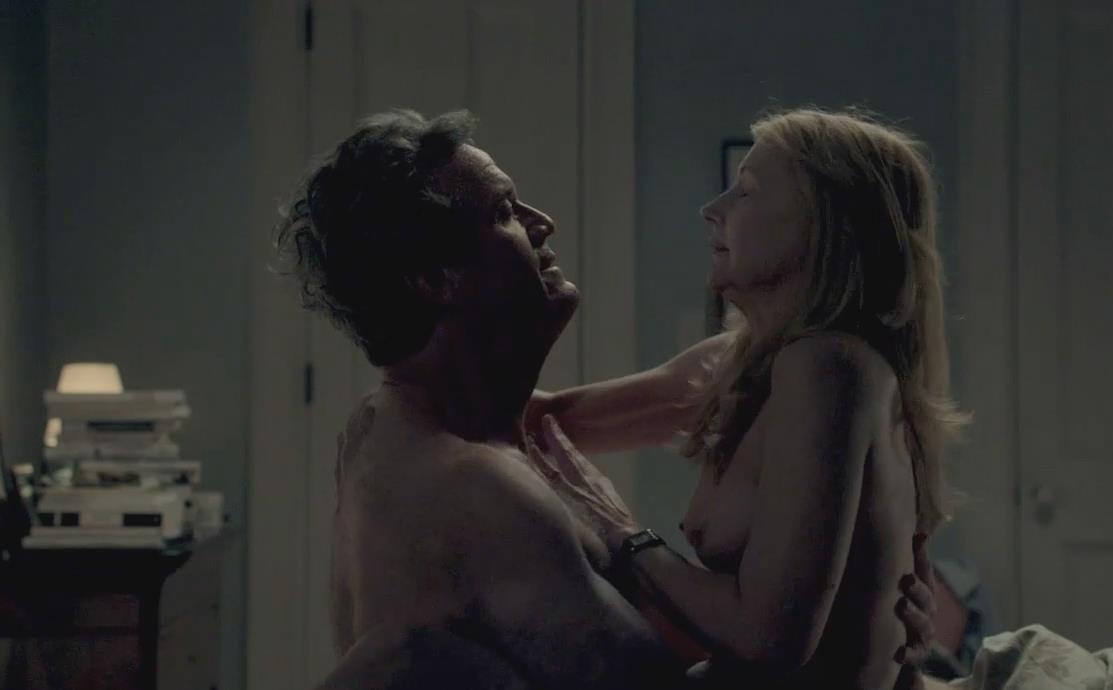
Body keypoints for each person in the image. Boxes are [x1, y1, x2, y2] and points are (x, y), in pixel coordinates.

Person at [273, 108, 935, 689]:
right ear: (435, 278)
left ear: (828, 226)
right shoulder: (473, 484)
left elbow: (540, 419)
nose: (544, 223)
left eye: (749, 190)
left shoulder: (387, 429)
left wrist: (871, 620)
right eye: (504, 213)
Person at [524, 107, 966, 689]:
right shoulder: (742, 359)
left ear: (827, 226)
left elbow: (768, 640)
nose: (712, 209)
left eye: (748, 190)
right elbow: (551, 422)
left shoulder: (831, 367)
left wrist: (623, 535)